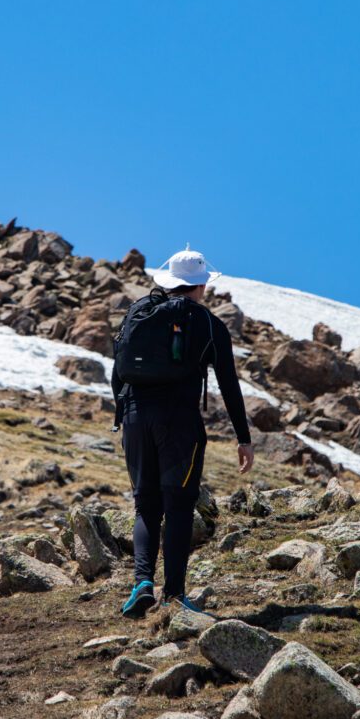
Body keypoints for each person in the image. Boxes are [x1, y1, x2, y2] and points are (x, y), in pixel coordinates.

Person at [112, 248, 254, 618]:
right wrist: (243, 438)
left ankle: (142, 582)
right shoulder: (209, 325)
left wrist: (121, 416)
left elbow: (118, 369)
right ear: (202, 284)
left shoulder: (139, 311)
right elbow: (229, 384)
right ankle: (174, 595)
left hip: (135, 417)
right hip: (179, 423)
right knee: (178, 506)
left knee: (145, 504)